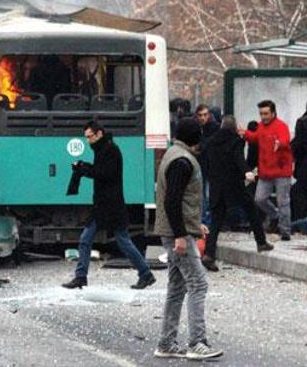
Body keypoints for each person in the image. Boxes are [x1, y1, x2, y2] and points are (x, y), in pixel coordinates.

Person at [152, 118, 222, 360]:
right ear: (196, 137)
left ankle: (167, 342)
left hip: (172, 230)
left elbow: (179, 201)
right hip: (176, 234)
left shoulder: (173, 154)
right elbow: (173, 201)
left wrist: (194, 224)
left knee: (177, 287)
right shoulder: (183, 161)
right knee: (198, 284)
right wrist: (181, 234)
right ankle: (197, 342)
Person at [62, 121, 156, 290]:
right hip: (105, 204)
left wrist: (83, 169)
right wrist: (84, 167)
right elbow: (101, 171)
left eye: (90, 137)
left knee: (119, 240)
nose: (88, 141)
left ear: (99, 134)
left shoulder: (109, 150)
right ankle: (81, 276)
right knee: (92, 239)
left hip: (110, 205)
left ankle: (145, 273)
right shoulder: (104, 148)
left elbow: (104, 174)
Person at [202, 115, 272, 271]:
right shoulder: (236, 141)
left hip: (216, 186)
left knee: (216, 221)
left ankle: (208, 254)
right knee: (251, 210)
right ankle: (261, 242)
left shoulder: (211, 142)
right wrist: (247, 172)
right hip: (234, 185)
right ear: (234, 127)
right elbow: (238, 159)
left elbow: (206, 163)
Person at [244, 100, 294, 241]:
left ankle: (285, 231)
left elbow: (285, 139)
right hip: (266, 170)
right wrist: (245, 134)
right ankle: (275, 216)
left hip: (281, 169)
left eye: (266, 113)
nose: (263, 117)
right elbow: (255, 138)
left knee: (282, 200)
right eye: (261, 114)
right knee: (260, 199)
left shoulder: (281, 126)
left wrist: (280, 143)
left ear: (273, 113)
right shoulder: (260, 126)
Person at [194, 104, 219, 239]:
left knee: (207, 195)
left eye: (205, 115)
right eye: (200, 115)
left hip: (211, 167)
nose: (203, 118)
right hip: (202, 166)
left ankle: (208, 222)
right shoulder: (199, 128)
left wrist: (201, 146)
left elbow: (209, 144)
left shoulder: (214, 128)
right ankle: (205, 221)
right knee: (202, 195)